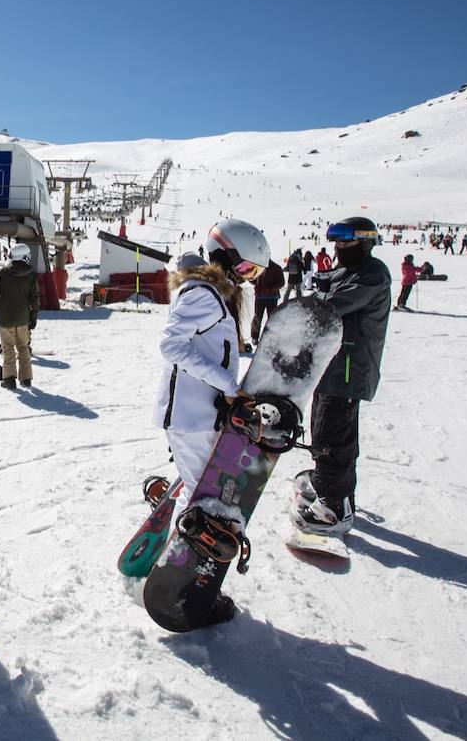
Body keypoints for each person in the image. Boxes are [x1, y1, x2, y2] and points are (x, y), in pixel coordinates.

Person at [151, 218, 268, 628]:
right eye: (246, 270)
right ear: (227, 257)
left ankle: (178, 577)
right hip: (190, 417)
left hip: (199, 415)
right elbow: (172, 344)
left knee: (204, 498)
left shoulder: (212, 295)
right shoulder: (203, 294)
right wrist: (228, 385)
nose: (248, 280)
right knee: (206, 505)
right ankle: (185, 586)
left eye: (254, 274)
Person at [292, 216, 391, 537]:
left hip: (348, 371)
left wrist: (315, 296)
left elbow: (331, 304)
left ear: (364, 243)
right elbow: (319, 286)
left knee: (333, 438)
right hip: (331, 368)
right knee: (324, 433)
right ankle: (331, 489)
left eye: (346, 243)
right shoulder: (347, 271)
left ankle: (333, 506)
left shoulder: (372, 275)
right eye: (336, 243)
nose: (339, 249)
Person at [0, 243, 40, 389]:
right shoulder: (31, 274)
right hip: (23, 318)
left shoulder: (3, 273)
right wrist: (34, 315)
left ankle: (9, 379)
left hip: (5, 318)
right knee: (23, 347)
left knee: (8, 348)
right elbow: (35, 298)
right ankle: (26, 379)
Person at [249, 258, 285, 343]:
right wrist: (251, 280)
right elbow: (254, 279)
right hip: (260, 296)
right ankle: (255, 337)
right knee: (257, 318)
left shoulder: (276, 267)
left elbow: (281, 282)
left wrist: (270, 289)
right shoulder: (258, 266)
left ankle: (272, 338)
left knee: (272, 319)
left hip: (271, 297)